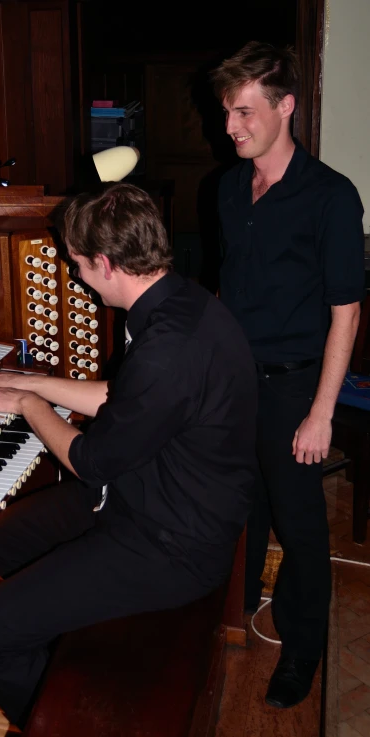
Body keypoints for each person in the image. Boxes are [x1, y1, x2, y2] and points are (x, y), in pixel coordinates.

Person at [0, 182, 257, 727]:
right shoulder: (179, 302)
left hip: (172, 543)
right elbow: (123, 400)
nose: (73, 275)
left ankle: (62, 715)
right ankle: (49, 646)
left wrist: (27, 402)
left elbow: (89, 461)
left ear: (105, 262)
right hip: (146, 496)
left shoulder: (169, 351)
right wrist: (34, 381)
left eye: (76, 263)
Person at [211, 41, 365, 709]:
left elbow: (346, 313)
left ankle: (302, 648)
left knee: (300, 526)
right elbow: (227, 292)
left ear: (286, 107)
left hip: (296, 382)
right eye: (225, 113)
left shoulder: (329, 196)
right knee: (236, 503)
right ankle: (232, 610)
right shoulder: (223, 187)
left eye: (244, 113)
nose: (230, 128)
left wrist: (320, 411)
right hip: (234, 379)